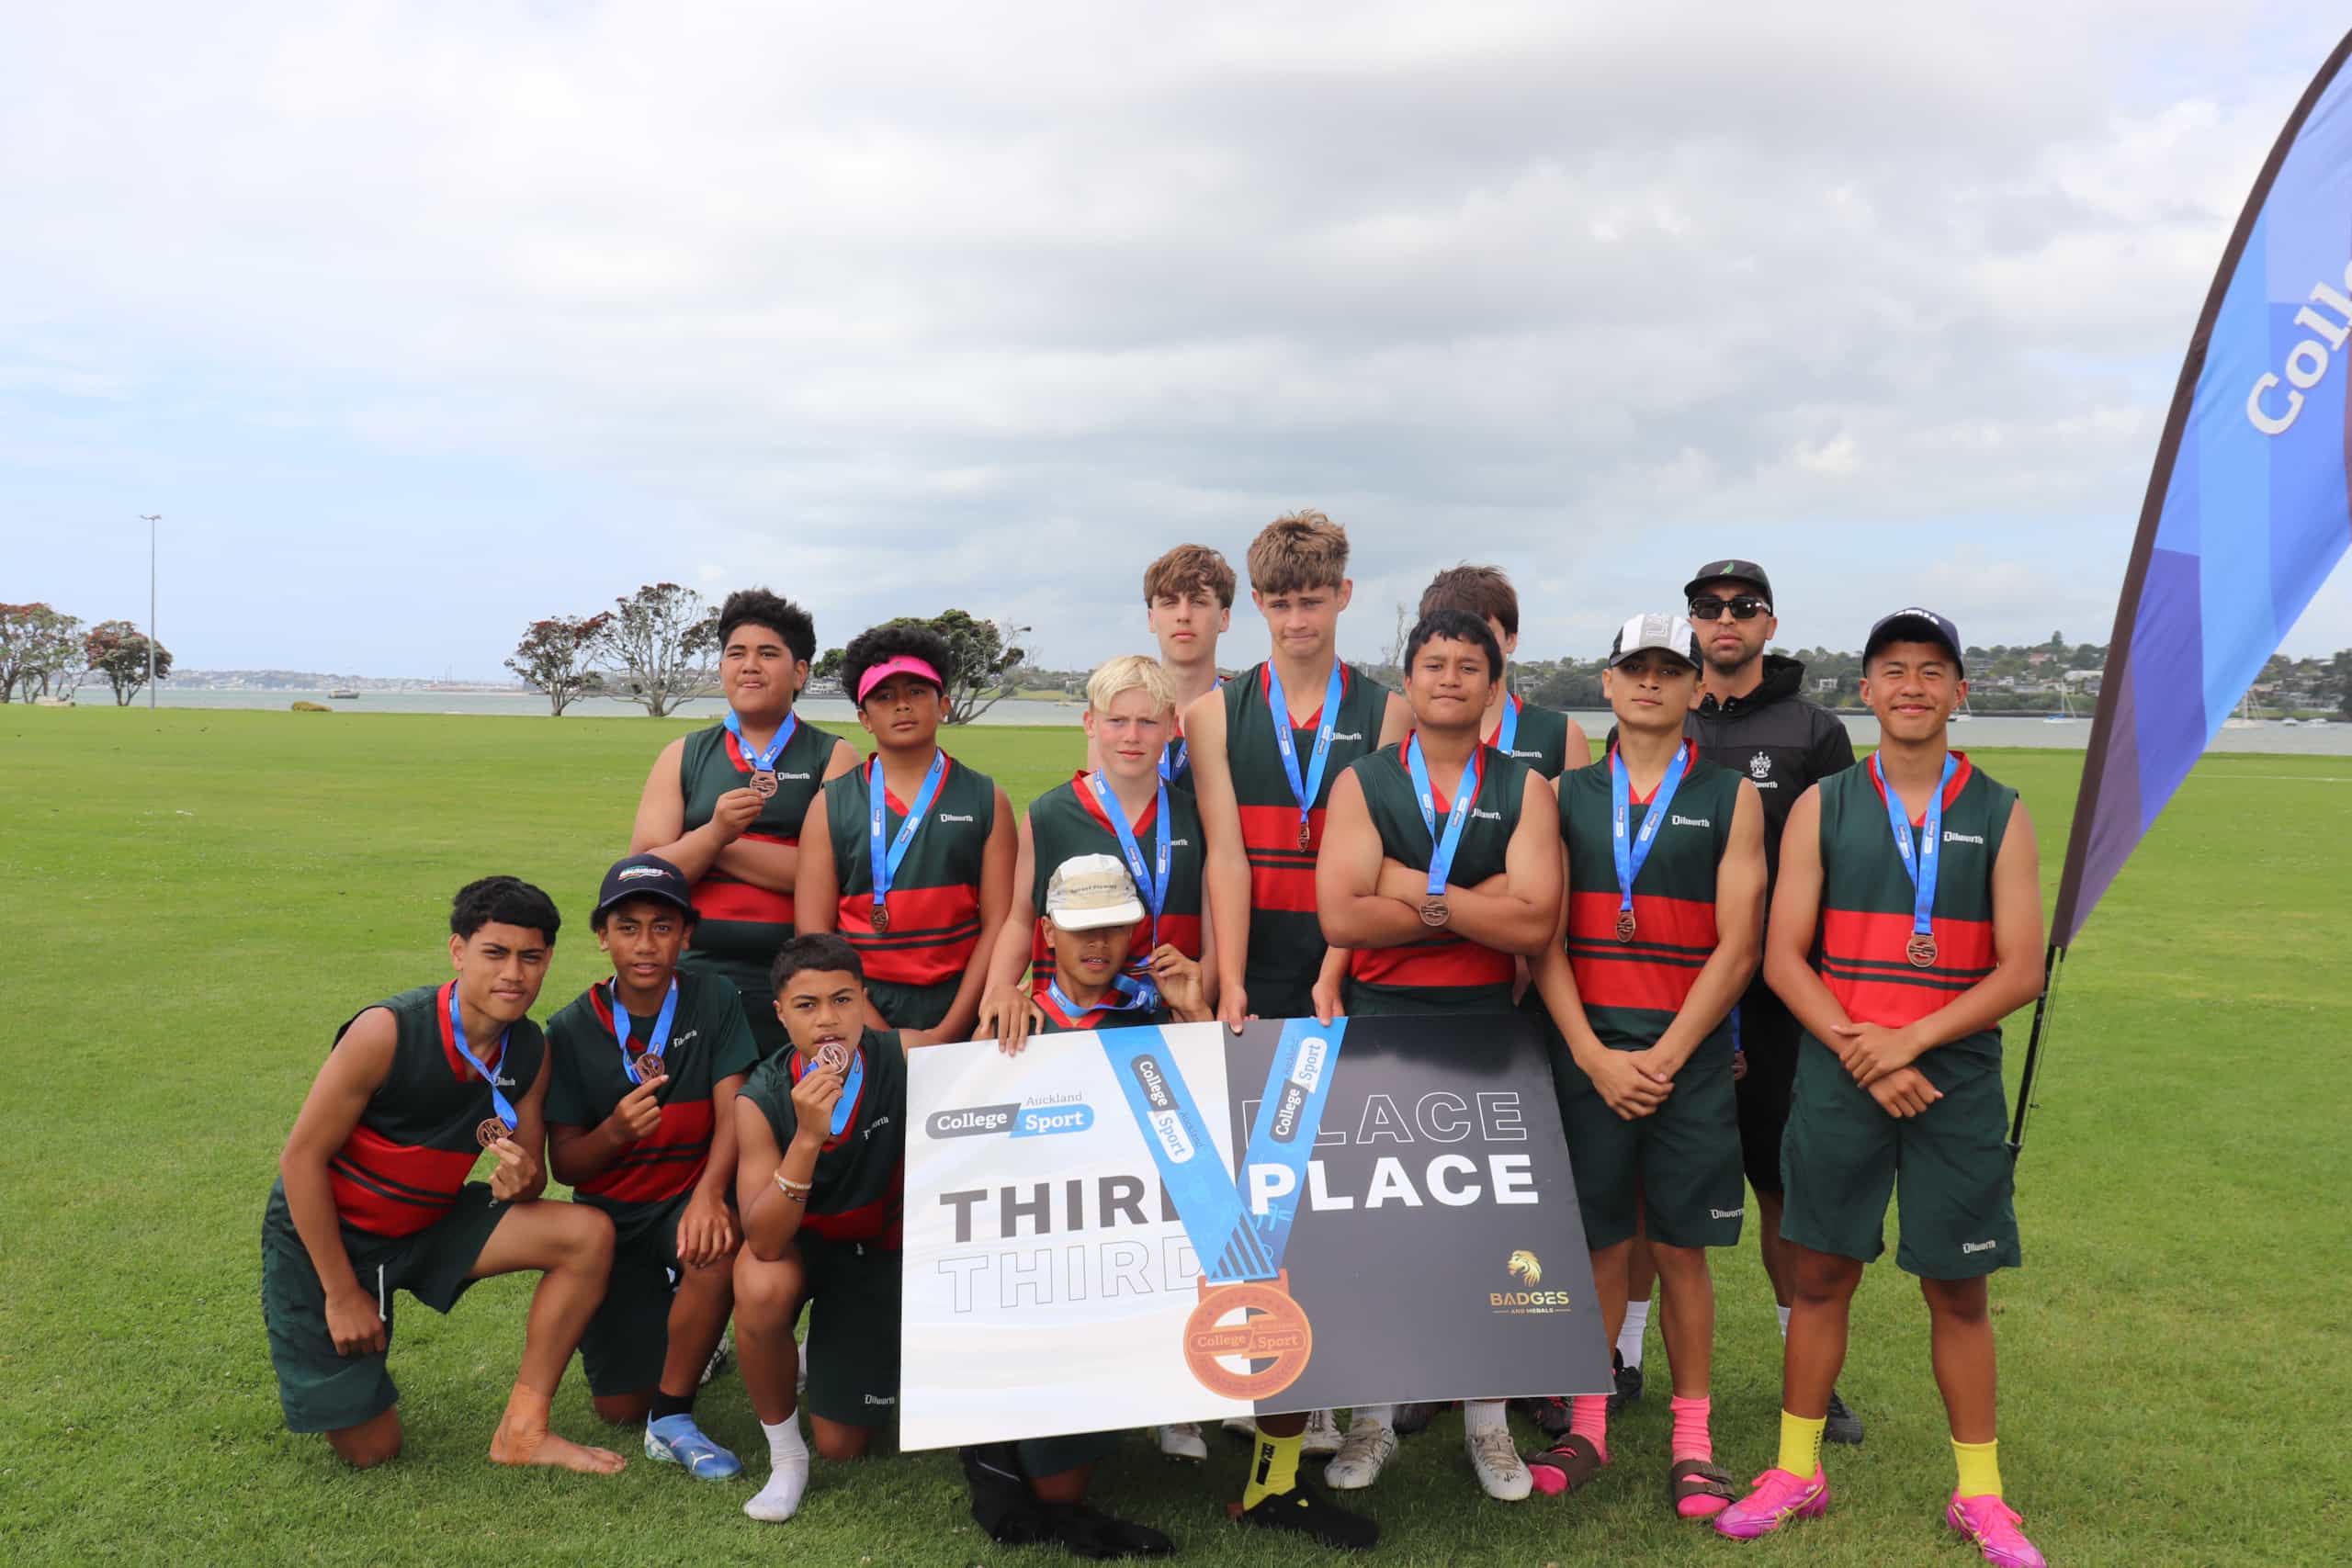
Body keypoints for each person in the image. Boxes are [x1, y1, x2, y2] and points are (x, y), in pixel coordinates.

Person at [1716, 608, 2048, 1568]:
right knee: (1819, 1274)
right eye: (1893, 669)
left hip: (1953, 1080)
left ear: (1959, 693)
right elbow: (1783, 956)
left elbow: (2021, 968)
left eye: (1932, 671)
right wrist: (1866, 1051)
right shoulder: (1824, 805)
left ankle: (1980, 1495)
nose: (1912, 685)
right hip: (1840, 1070)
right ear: (1864, 691)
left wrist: (1910, 1043)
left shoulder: (2000, 810)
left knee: (1958, 1287)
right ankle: (1796, 1471)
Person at [1183, 508, 1403, 1541]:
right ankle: (1277, 1403)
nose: (1297, 618)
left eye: (1313, 600)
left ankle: (1367, 1409)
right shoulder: (1214, 713)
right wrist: (1229, 979)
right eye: (1279, 602)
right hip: (1259, 972)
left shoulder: (1389, 709)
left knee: (1347, 1197)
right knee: (1260, 1207)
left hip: (1348, 970)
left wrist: (1334, 963)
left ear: (1343, 597)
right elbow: (1224, 855)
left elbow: (1374, 858)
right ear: (1257, 606)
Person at [1313, 608, 1563, 1503]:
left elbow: (1534, 923)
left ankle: (1488, 1425)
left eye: (1467, 665)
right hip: (1381, 1023)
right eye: (1432, 663)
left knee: (1484, 1237)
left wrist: (1413, 891)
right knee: (1382, 1234)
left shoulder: (1525, 788)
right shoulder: (1363, 781)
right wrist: (1473, 900)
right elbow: (1341, 914)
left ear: (1493, 685)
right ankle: (1373, 1417)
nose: (1449, 677)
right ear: (1408, 678)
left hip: (1488, 1029)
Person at [1521, 615, 1765, 1520]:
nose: (1652, 682)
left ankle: (1691, 1442)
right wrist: (1592, 1054)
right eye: (1635, 668)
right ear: (1609, 683)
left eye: (1670, 668)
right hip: (1586, 1051)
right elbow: (1542, 937)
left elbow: (1739, 946)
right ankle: (1587, 1425)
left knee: (1680, 1249)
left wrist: (1664, 1055)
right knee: (1597, 1243)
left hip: (1683, 1060)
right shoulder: (1563, 794)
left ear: (1697, 686)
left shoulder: (1732, 796)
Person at [1611, 559, 1862, 1437]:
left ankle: (1807, 1366)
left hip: (1778, 998)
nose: (1726, 619)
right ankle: (1623, 1357)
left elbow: (1842, 864)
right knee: (1647, 1189)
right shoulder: (1655, 713)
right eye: (1707, 607)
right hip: (1663, 996)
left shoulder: (1814, 730)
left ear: (1769, 623)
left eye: (1743, 607)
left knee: (1781, 1183)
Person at [260, 876, 624, 1475]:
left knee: (587, 1234)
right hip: (332, 1235)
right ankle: (345, 1343)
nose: (514, 973)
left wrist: (522, 1180)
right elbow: (300, 1160)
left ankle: (524, 1431)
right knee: (372, 1450)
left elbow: (531, 1176)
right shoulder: (387, 1031)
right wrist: (342, 1294)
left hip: (427, 1221)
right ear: (458, 951)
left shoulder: (529, 1051)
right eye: (495, 953)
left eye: (531, 957)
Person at [956, 857, 1205, 1557]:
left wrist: (1194, 1014)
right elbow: (964, 1150)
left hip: (1135, 1245)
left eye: (1114, 927)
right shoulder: (1016, 1017)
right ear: (1046, 932)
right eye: (1079, 928)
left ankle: (1164, 1403)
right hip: (1039, 1262)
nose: (1098, 943)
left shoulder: (1155, 1006)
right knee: (1056, 1491)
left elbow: (1211, 1133)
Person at [544, 853, 758, 1478]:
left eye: (663, 927)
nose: (645, 944)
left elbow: (734, 1109)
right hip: (610, 1218)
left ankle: (672, 1417)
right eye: (628, 927)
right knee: (617, 1408)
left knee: (714, 1248)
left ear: (686, 935)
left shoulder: (713, 996)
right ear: (602, 936)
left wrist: (710, 1194)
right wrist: (614, 1132)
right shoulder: (569, 1028)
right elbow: (566, 1164)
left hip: (684, 1198)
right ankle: (684, 1330)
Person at [631, 588, 860, 1058]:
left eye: (768, 654)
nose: (750, 665)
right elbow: (645, 875)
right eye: (737, 653)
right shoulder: (683, 755)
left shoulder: (834, 756)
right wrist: (715, 832)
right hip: (691, 974)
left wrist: (712, 844)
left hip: (798, 982)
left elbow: (832, 875)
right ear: (722, 668)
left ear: (800, 672)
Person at [729, 935, 908, 1523]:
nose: (827, 1020)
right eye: (807, 1005)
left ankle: (817, 1353)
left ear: (864, 1000)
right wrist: (807, 1138)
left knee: (844, 1443)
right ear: (780, 1014)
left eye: (843, 1000)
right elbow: (764, 1240)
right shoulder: (760, 1095)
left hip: (875, 1252)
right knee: (759, 1282)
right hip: (800, 1250)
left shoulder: (905, 1056)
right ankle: (786, 1457)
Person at [977, 655, 1212, 1063]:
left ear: (1173, 727)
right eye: (1117, 721)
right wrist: (998, 988)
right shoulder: (1048, 815)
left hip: (1167, 1021)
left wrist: (1203, 995)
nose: (1132, 736)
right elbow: (1021, 919)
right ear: (1090, 723)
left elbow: (1213, 931)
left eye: (1148, 722)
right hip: (1069, 1025)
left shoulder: (1196, 817)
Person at [796, 622, 1016, 1043]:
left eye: (916, 691)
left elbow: (999, 925)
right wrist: (879, 1033)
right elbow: (815, 934)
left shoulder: (987, 799)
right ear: (864, 718)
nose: (901, 705)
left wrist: (950, 1030)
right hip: (860, 1005)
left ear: (944, 704)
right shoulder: (830, 805)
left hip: (963, 1003)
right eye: (884, 696)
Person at [1416, 564, 1591, 778]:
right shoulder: (1405, 735)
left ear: (1510, 639)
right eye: (1447, 635)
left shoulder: (1561, 736)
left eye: (1480, 633)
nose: (1463, 648)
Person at [1140, 543, 1237, 791]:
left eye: (1198, 602)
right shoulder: (1118, 712)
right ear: (1151, 618)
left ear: (1224, 618)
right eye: (1170, 602)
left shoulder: (1246, 713)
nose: (1183, 615)